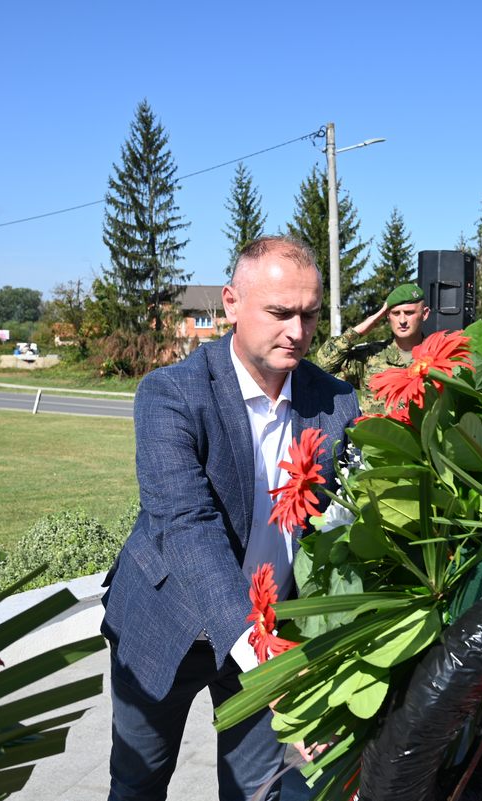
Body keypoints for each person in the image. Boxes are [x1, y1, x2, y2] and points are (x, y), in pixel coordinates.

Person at [100, 236, 360, 801]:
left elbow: (346, 529)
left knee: (257, 791)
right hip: (166, 622)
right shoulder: (170, 395)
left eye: (310, 314)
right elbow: (186, 523)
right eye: (279, 312)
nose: (298, 330)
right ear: (231, 304)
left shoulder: (337, 402)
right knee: (138, 784)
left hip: (272, 634)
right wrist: (258, 647)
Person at [314, 283, 428, 414]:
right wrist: (361, 329)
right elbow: (323, 367)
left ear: (424, 314)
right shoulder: (371, 356)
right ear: (387, 316)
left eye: (409, 313)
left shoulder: (438, 354)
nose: (402, 320)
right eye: (396, 313)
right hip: (377, 434)